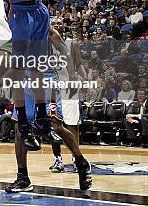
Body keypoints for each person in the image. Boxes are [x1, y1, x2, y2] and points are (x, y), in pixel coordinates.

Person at [45, 23, 92, 189]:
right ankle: (58, 159)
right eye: (54, 23)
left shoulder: (72, 43)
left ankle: (75, 157)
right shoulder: (46, 42)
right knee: (54, 124)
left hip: (69, 87)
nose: (57, 25)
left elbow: (78, 64)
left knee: (72, 124)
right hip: (51, 87)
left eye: (59, 23)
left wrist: (84, 79)